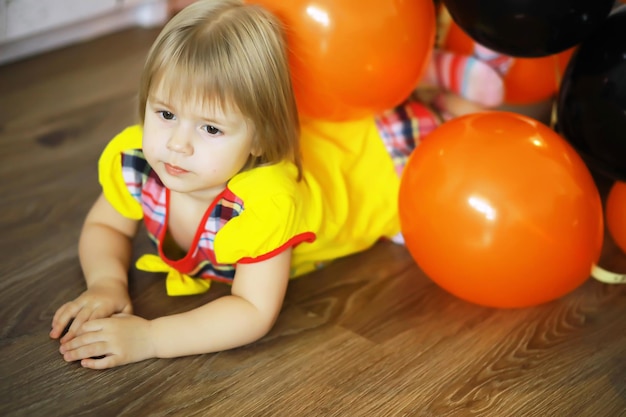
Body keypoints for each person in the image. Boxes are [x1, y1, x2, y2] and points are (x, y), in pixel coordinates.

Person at [50, 0, 504, 369]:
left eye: (210, 128)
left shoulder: (263, 206)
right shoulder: (140, 163)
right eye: (165, 114)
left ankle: (449, 72)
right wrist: (106, 283)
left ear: (259, 139)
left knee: (455, 137)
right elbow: (105, 227)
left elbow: (251, 310)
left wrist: (151, 337)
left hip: (380, 163)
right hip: (325, 139)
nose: (178, 145)